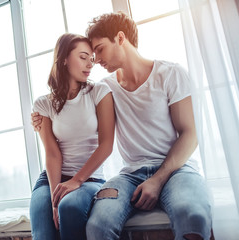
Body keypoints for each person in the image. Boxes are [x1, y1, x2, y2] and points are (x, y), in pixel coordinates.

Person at [32, 12, 212, 240]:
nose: (95, 59)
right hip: (129, 175)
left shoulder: (170, 74)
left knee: (193, 216)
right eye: (90, 53)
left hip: (176, 169)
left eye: (99, 49)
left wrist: (157, 180)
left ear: (120, 38)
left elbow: (190, 134)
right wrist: (38, 119)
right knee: (98, 226)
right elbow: (72, 106)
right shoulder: (105, 88)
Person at [29, 33, 115, 240]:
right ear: (65, 59)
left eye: (92, 59)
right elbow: (52, 153)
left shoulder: (99, 92)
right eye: (83, 57)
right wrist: (54, 198)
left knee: (70, 207)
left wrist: (76, 181)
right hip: (53, 179)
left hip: (89, 178)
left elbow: (106, 146)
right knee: (43, 220)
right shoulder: (43, 104)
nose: (90, 64)